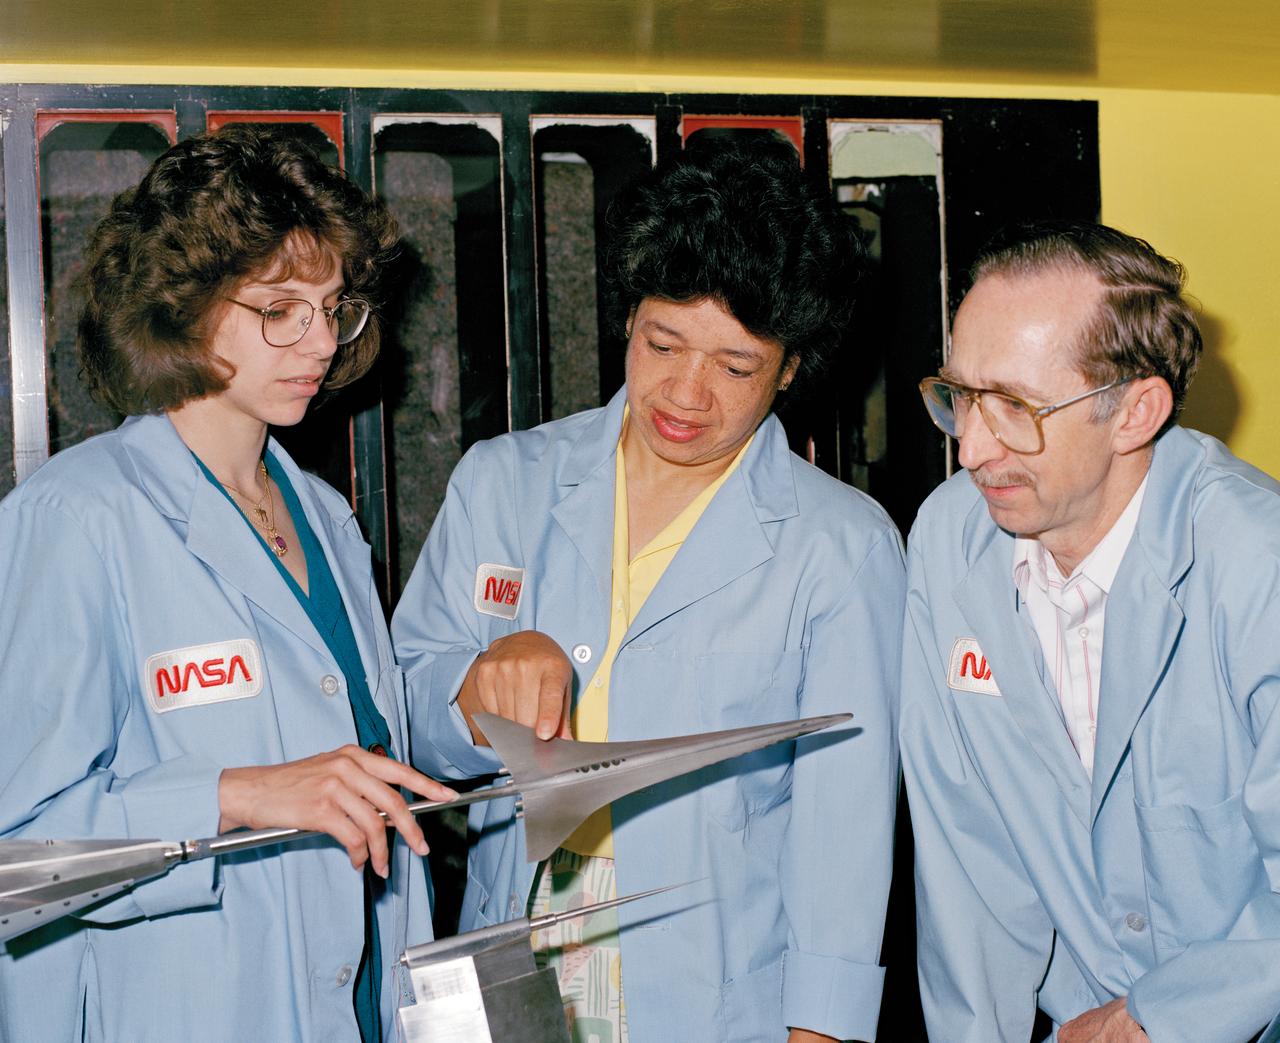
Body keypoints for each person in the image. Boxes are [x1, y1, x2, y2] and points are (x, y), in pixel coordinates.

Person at [393, 137, 904, 1043]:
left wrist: (819, 1030)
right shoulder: (503, 481)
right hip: (505, 979)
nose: (686, 391)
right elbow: (404, 715)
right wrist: (474, 691)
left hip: (712, 993)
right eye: (663, 342)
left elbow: (845, 832)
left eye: (736, 366)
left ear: (790, 368)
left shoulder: (841, 546)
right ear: (628, 316)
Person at [0, 125, 455, 1042]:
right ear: (186, 305)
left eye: (333, 307)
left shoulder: (326, 516)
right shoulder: (79, 518)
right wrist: (237, 794)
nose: (319, 340)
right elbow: (19, 861)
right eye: (280, 308)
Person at [900, 220, 1280, 1042]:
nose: (970, 447)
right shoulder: (946, 541)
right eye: (960, 395)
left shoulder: (1259, 562)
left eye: (1014, 406)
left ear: (1135, 412)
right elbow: (968, 861)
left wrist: (1160, 1019)